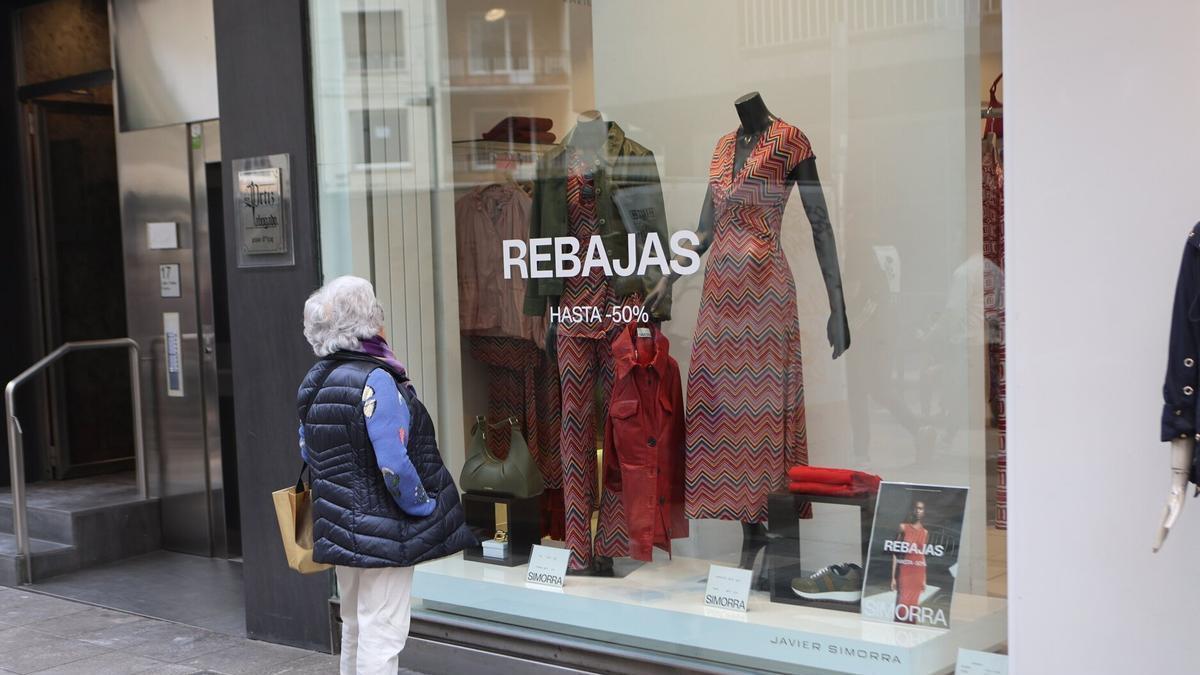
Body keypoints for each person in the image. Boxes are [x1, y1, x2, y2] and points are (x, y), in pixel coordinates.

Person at [297, 276, 475, 675]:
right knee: (384, 630)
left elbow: (308, 449)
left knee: (357, 624)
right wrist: (422, 504)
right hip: (384, 530)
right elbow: (393, 463)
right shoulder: (375, 379)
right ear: (369, 321)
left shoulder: (315, 381)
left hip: (339, 524)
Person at [891, 499, 928, 624]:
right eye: (916, 508)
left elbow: (922, 556)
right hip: (905, 570)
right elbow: (895, 553)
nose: (918, 511)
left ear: (924, 512)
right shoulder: (903, 527)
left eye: (921, 508)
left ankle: (911, 633)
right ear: (913, 510)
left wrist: (924, 579)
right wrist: (893, 577)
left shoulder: (925, 532)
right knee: (902, 603)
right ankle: (898, 634)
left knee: (914, 605)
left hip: (918, 572)